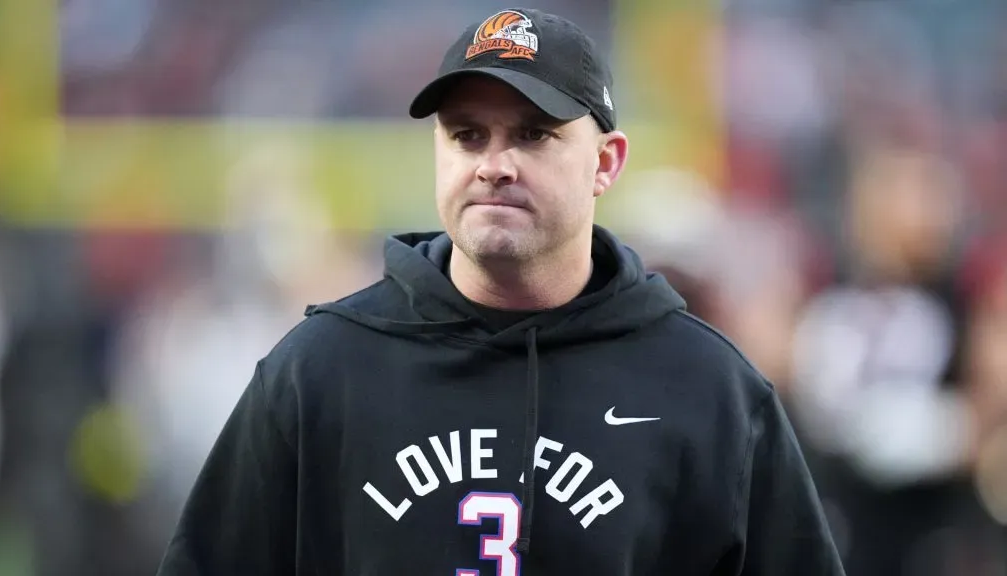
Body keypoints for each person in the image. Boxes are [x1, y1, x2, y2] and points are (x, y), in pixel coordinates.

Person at [155, 8, 845, 575]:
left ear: (606, 163)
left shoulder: (708, 388)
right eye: (467, 135)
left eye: (533, 135)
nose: (493, 165)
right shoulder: (319, 369)